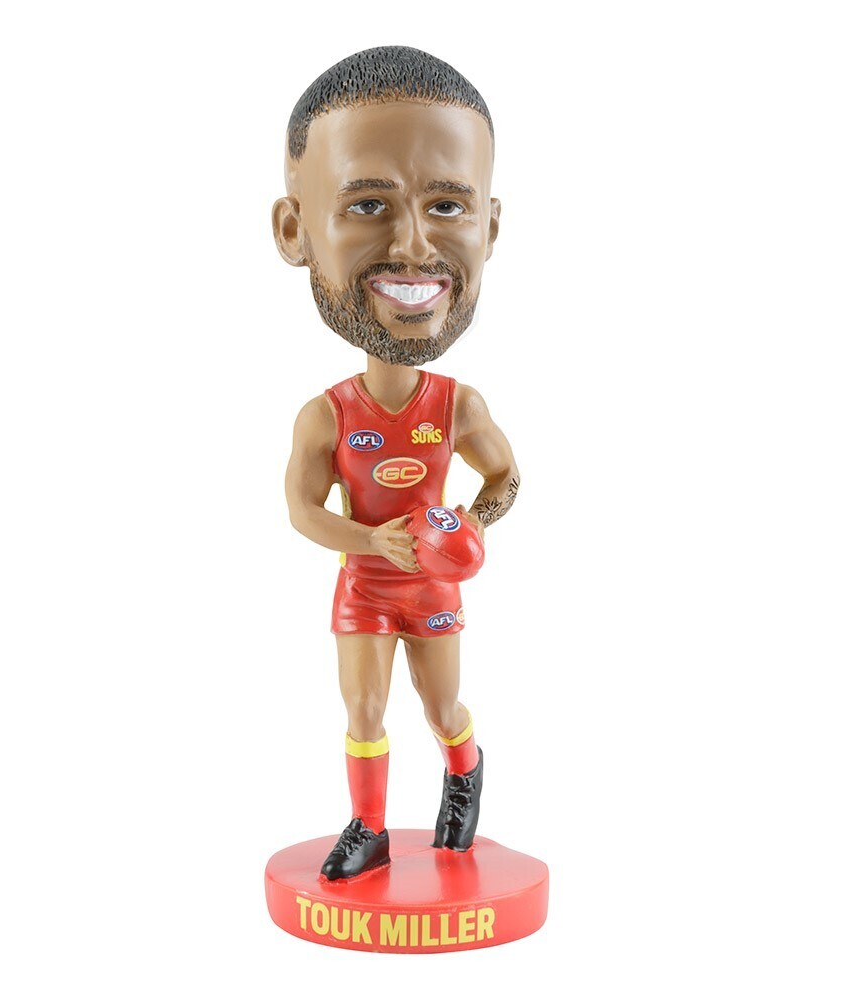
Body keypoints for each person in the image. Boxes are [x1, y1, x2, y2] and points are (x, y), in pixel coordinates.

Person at [273, 47, 520, 881]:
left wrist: (467, 524)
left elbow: (506, 478)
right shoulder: (327, 416)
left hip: (433, 585)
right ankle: (369, 826)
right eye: (369, 204)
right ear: (295, 231)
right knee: (364, 709)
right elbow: (302, 510)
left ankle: (464, 771)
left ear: (489, 227)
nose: (413, 246)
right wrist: (371, 544)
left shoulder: (459, 406)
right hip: (367, 584)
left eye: (447, 205)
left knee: (441, 707)